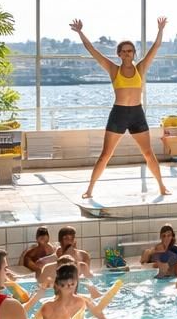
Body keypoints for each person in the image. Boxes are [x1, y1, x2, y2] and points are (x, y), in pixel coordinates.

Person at [71, 16, 171, 199]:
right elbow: (92, 50)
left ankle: (162, 187)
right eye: (123, 51)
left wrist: (160, 29)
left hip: (137, 114)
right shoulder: (113, 69)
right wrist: (80, 32)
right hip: (119, 114)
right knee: (105, 155)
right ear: (118, 54)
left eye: (130, 51)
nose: (127, 54)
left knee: (148, 153)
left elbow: (155, 48)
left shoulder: (140, 69)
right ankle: (90, 189)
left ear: (134, 53)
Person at [29, 262, 109, 319]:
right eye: (65, 285)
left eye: (72, 284)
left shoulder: (81, 302)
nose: (69, 287)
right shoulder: (48, 307)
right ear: (57, 285)